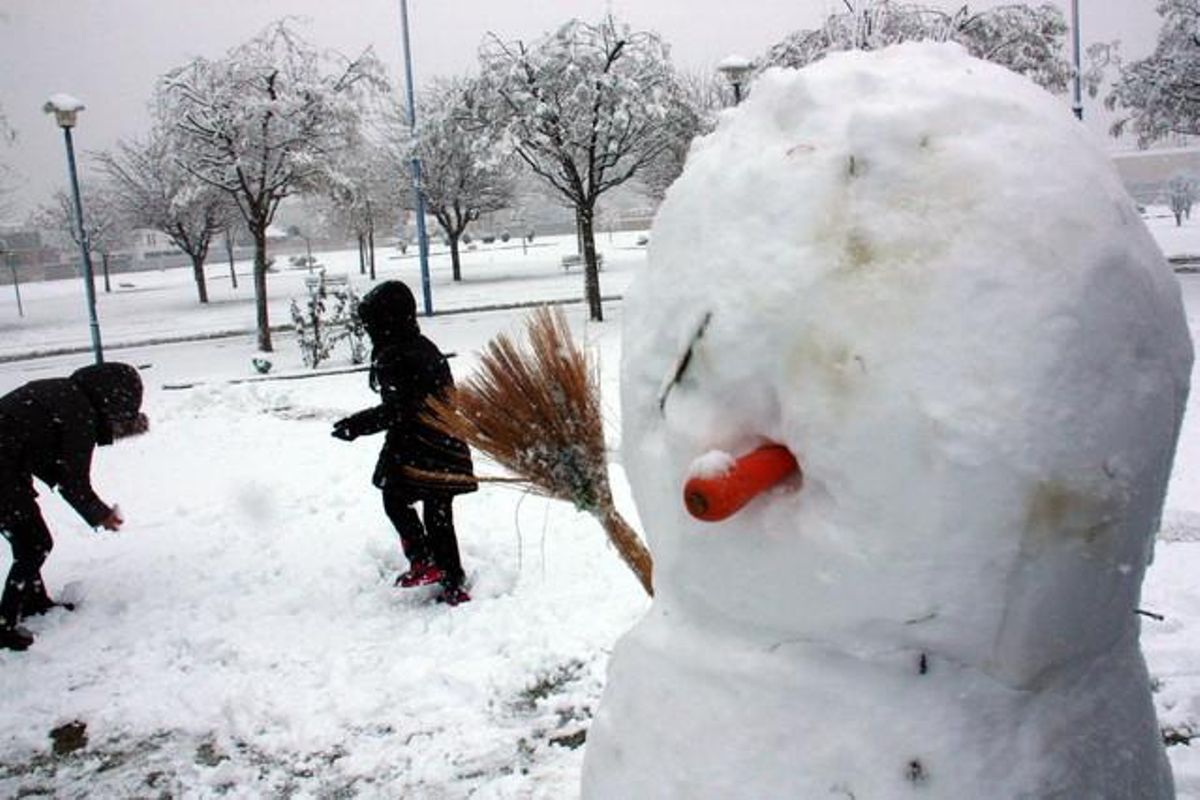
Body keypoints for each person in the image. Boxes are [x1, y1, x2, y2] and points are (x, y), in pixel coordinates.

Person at [332, 281, 477, 606]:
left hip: (416, 443)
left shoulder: (393, 355)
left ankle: (424, 560)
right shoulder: (424, 346)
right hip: (446, 440)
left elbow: (397, 410)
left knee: (394, 499)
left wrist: (357, 425)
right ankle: (453, 581)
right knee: (439, 513)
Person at [0, 362, 148, 651]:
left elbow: (44, 456)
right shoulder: (78, 414)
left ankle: (33, 600)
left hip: (8, 470)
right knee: (35, 543)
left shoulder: (63, 393)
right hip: (4, 473)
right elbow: (72, 479)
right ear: (113, 399)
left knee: (27, 539)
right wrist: (101, 513)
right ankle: (4, 625)